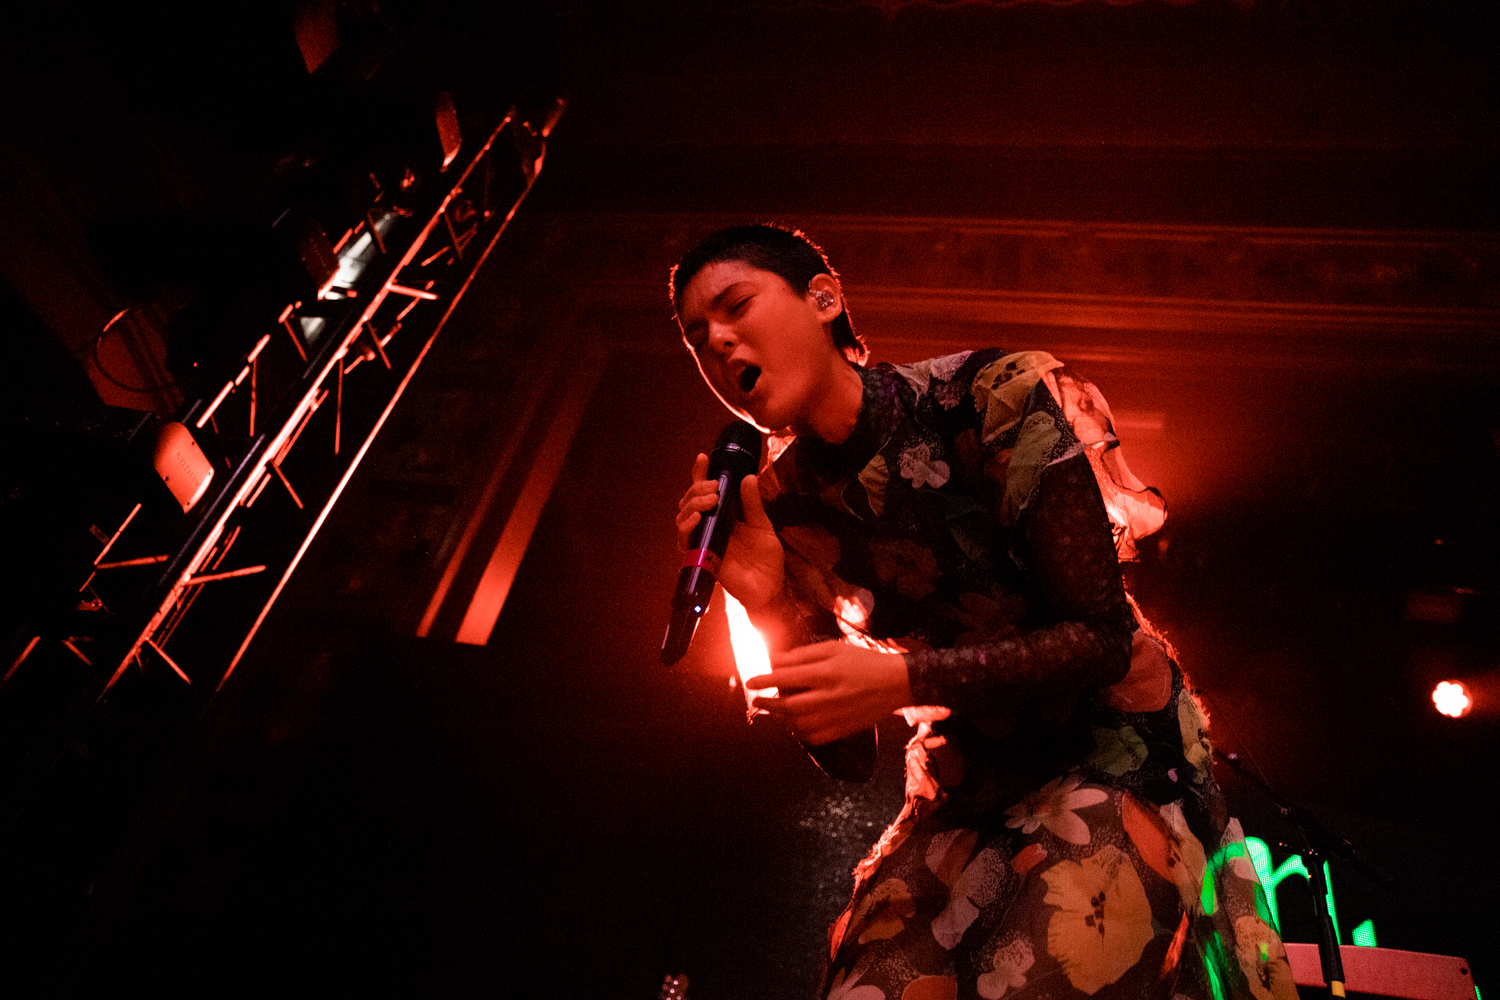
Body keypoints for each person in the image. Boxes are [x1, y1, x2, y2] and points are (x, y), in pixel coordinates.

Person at [671, 224, 1295, 1000]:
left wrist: (907, 680)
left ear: (824, 299)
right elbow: (852, 758)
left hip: (1114, 752)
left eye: (735, 307)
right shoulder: (780, 504)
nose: (717, 342)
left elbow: (1101, 638)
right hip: (963, 790)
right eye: (697, 338)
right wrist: (767, 601)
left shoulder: (992, 395)